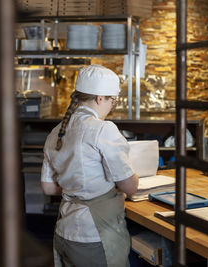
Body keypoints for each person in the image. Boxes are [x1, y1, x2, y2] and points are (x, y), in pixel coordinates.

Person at [41, 64, 139, 267]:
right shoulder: (103, 129)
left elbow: (49, 187)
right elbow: (131, 187)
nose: (112, 106)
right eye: (113, 100)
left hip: (64, 231)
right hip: (93, 236)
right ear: (100, 98)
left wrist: (77, 187)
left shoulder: (56, 132)